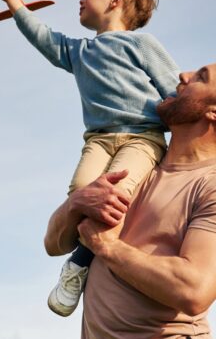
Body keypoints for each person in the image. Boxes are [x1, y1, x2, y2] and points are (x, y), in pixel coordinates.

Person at [0, 0, 179, 316]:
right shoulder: (78, 51)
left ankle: (78, 264)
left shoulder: (142, 45)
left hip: (142, 137)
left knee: (116, 195)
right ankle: (76, 250)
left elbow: (174, 92)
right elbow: (44, 38)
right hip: (98, 140)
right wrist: (14, 3)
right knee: (82, 191)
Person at [44, 63, 216, 338]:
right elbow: (53, 244)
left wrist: (106, 245)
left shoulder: (210, 184)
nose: (182, 76)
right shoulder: (135, 165)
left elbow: (194, 289)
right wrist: (76, 203)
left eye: (200, 78)